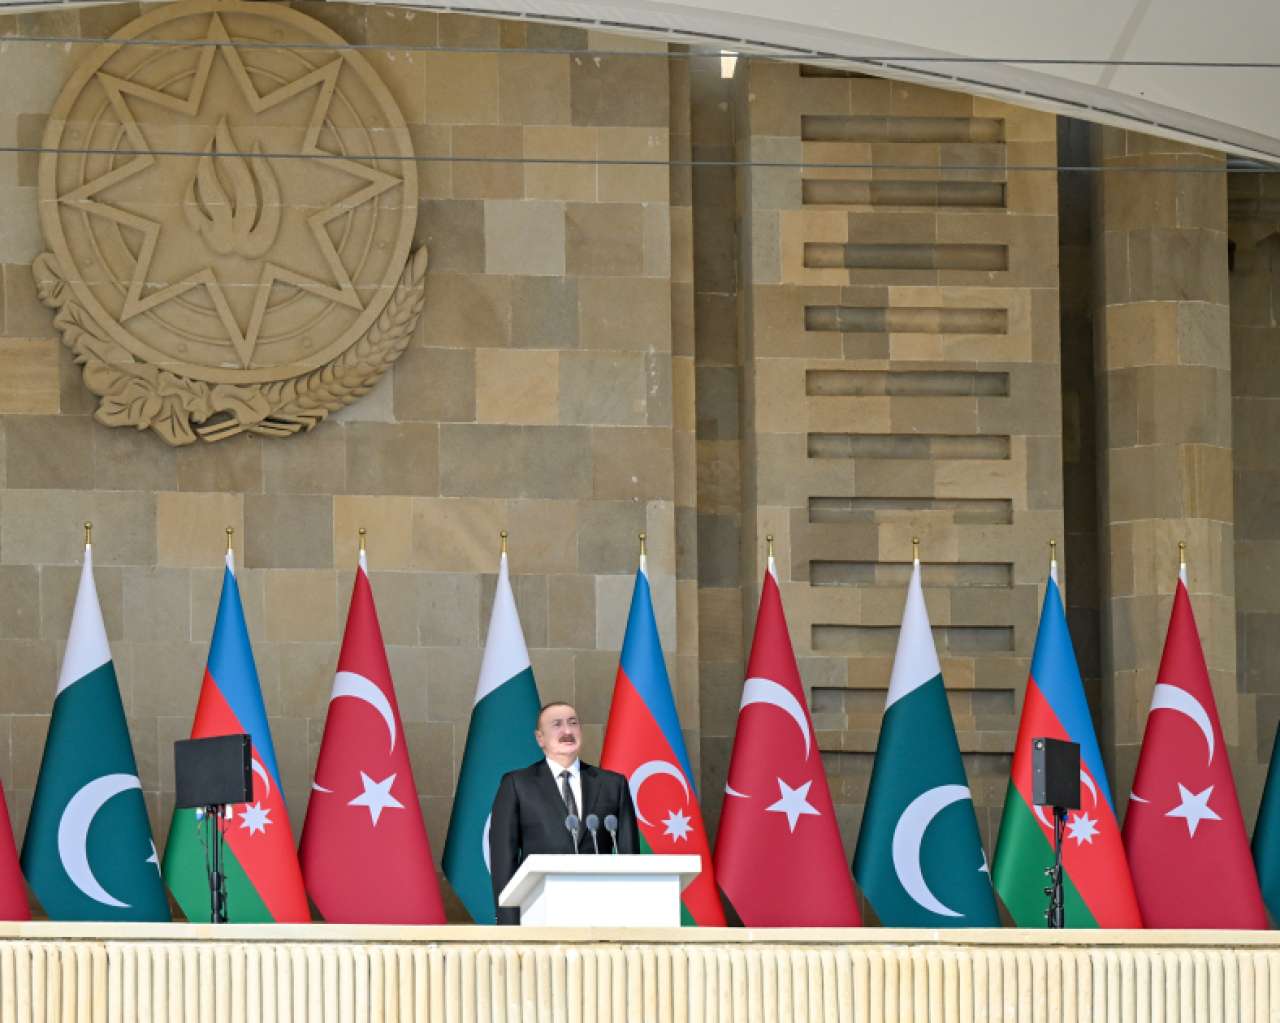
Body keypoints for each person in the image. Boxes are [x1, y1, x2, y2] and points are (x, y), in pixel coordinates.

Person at [489, 701, 639, 924]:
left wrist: (632, 914)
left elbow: (630, 855)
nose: (567, 731)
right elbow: (503, 858)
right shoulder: (517, 784)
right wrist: (509, 921)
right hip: (539, 909)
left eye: (573, 723)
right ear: (540, 738)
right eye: (556, 724)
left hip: (602, 911)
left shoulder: (613, 784)